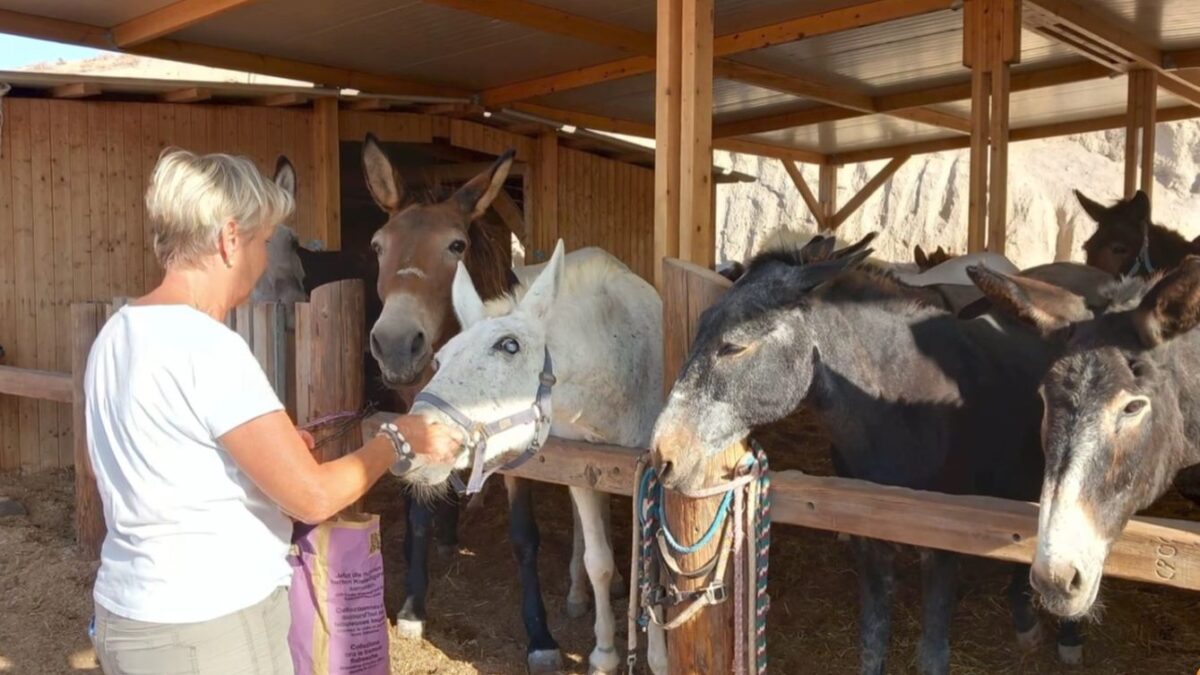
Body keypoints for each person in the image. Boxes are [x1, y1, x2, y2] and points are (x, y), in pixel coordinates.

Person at [85, 148, 460, 674]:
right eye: (263, 242)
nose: (265, 259)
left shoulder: (116, 334)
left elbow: (165, 460)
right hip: (210, 626)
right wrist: (399, 439)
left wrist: (269, 454)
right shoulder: (209, 348)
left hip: (129, 613)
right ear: (229, 239)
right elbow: (312, 497)